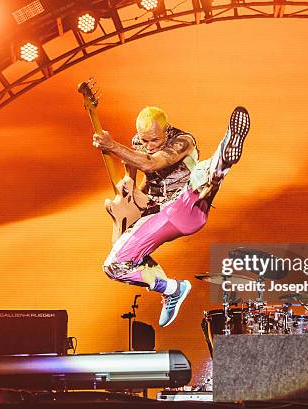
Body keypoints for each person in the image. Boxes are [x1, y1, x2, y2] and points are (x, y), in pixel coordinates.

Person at [92, 106, 250, 327]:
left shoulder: (183, 141)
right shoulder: (139, 143)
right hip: (160, 214)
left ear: (166, 130)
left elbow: (151, 162)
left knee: (202, 175)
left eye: (154, 140)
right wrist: (131, 190)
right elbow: (140, 170)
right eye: (144, 140)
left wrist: (112, 146)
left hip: (188, 203)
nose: (148, 145)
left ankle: (223, 157)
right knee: (115, 265)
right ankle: (172, 290)